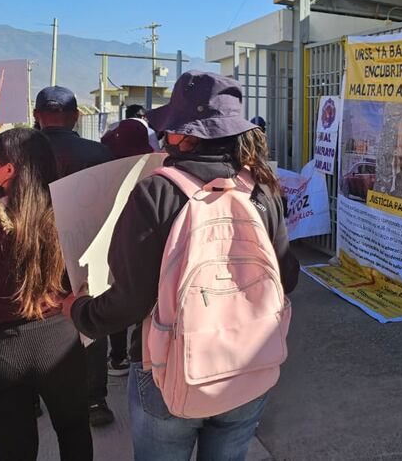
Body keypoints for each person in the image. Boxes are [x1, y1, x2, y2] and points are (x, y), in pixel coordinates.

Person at [64, 71, 299, 460]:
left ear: (183, 134)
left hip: (168, 374)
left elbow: (131, 300)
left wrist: (80, 312)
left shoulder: (156, 191)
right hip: (249, 368)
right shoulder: (261, 188)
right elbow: (286, 278)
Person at [0, 128, 92, 460]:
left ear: (9, 169)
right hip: (59, 342)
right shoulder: (68, 211)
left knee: (13, 448)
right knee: (75, 432)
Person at [34, 85, 116, 426]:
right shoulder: (100, 153)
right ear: (76, 117)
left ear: (37, 116)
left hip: (33, 255)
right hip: (87, 252)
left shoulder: (17, 153)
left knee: (33, 322)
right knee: (90, 322)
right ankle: (94, 401)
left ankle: (36, 397)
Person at [100, 116, 156, 378]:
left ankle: (118, 356)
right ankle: (138, 352)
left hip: (110, 244)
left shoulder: (104, 167)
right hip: (145, 243)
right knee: (143, 298)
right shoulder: (154, 167)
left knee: (116, 293)